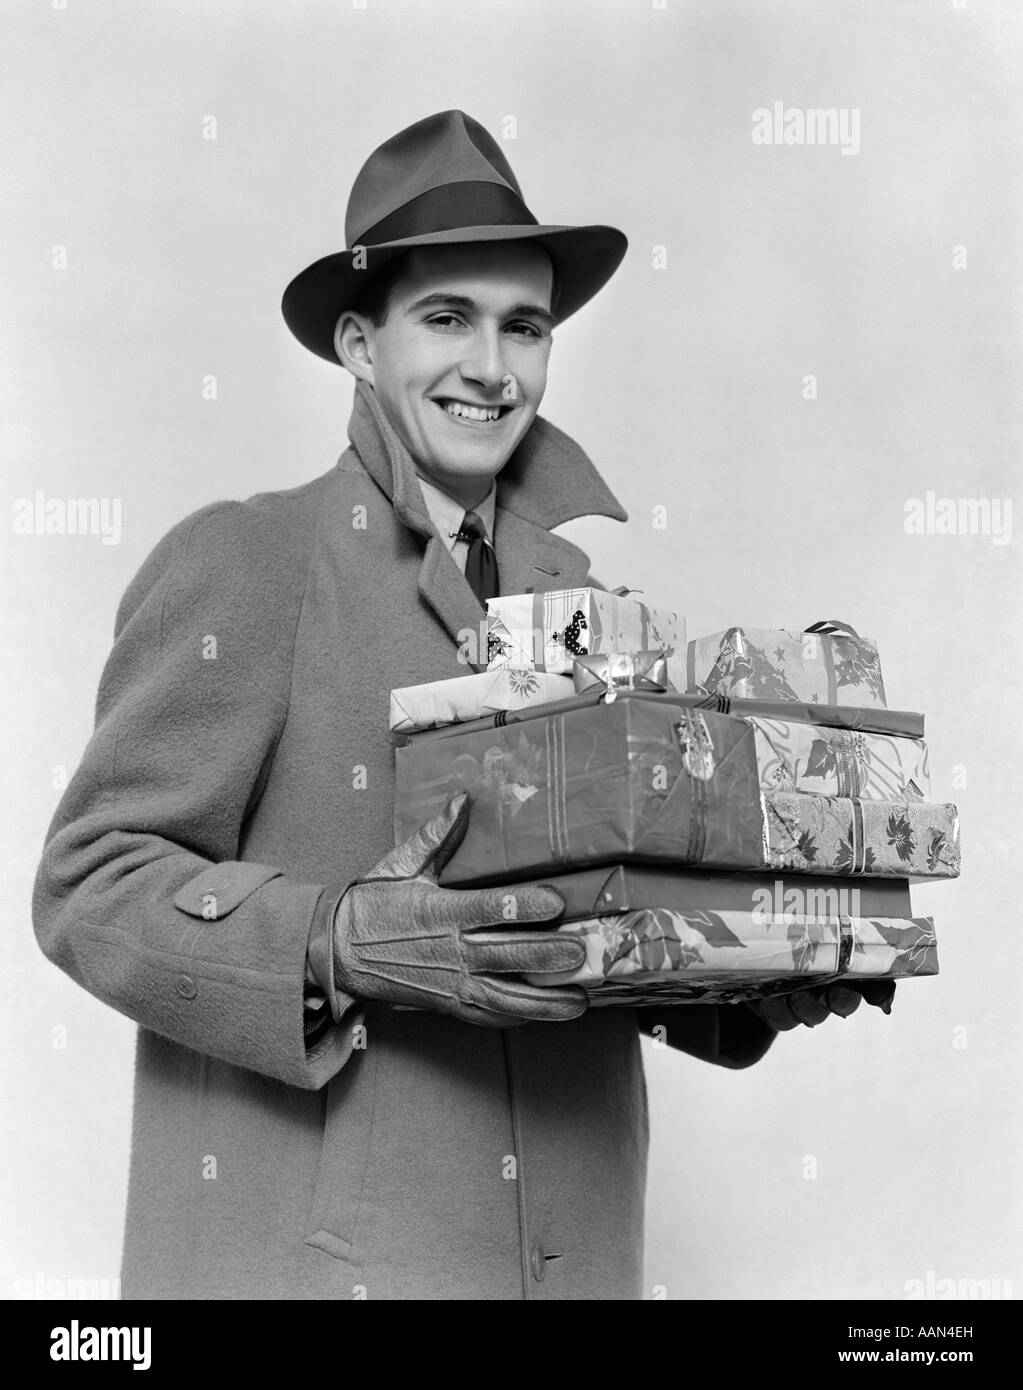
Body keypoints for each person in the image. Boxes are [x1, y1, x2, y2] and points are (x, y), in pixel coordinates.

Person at [32, 110, 891, 1301]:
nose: (494, 366)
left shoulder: (588, 603)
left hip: (580, 1261)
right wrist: (336, 938)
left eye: (524, 327)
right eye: (448, 319)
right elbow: (87, 883)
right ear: (359, 344)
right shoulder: (250, 561)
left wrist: (754, 972)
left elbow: (589, 929)